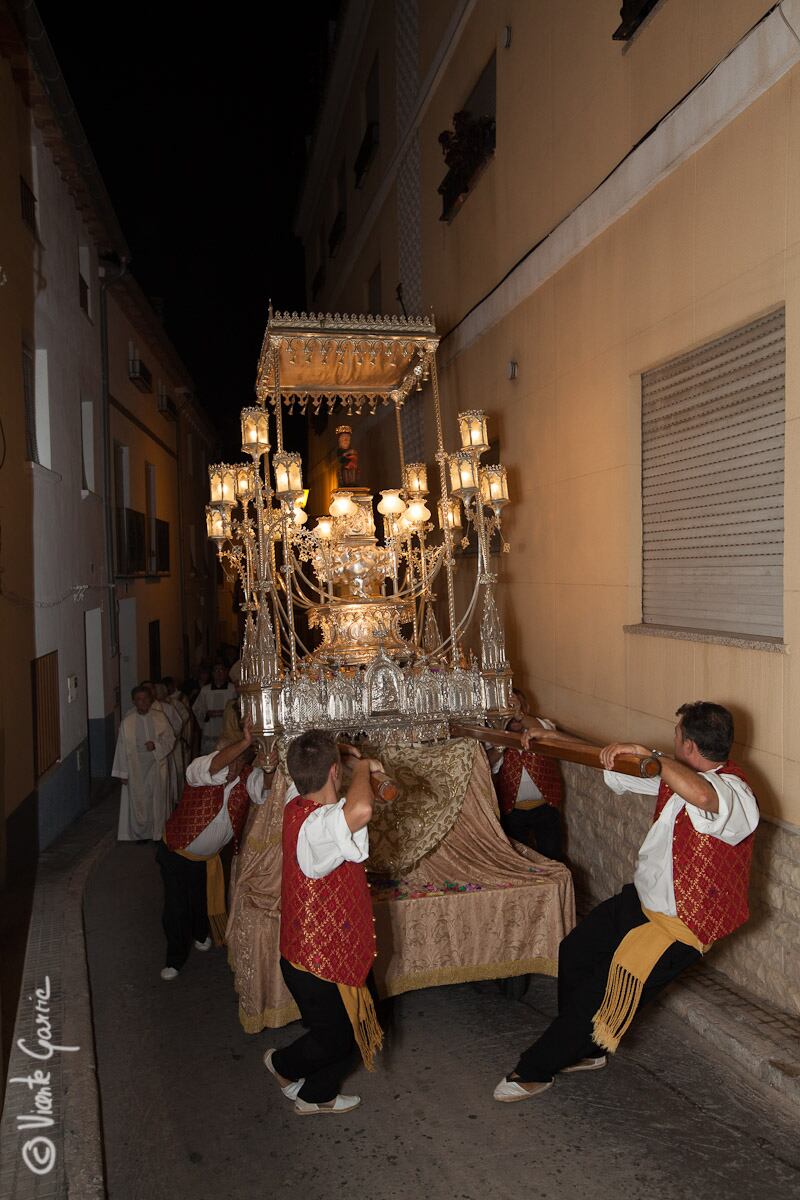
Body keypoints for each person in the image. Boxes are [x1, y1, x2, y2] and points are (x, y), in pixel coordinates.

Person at [494, 701, 759, 1102]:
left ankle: (536, 1069)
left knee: (598, 996)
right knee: (576, 951)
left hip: (679, 927)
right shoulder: (674, 772)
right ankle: (586, 1049)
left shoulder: (736, 792)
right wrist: (553, 739)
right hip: (640, 902)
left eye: (676, 735)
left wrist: (654, 757)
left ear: (687, 743)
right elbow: (615, 761)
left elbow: (704, 798)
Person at [265, 730, 387, 1115]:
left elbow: (315, 775)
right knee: (336, 1038)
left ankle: (316, 1094)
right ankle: (281, 1064)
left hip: (330, 949)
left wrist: (345, 760)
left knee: (348, 1029)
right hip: (314, 962)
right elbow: (362, 810)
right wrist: (364, 767)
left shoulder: (293, 801)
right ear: (334, 772)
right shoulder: (320, 825)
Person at [156, 718, 276, 980]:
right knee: (176, 907)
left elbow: (264, 789)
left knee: (199, 899)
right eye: (227, 758)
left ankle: (200, 933)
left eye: (237, 761)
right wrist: (244, 741)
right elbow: (215, 766)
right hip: (175, 851)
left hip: (207, 858)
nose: (230, 767)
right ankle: (174, 958)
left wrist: (269, 764)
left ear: (245, 762)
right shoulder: (200, 769)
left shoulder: (248, 777)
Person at [487, 688, 564, 861]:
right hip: (512, 813)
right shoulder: (495, 737)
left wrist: (520, 714)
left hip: (545, 809)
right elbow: (488, 765)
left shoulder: (542, 727)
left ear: (525, 708)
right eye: (507, 709)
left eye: (515, 708)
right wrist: (500, 745)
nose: (513, 716)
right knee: (518, 859)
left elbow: (547, 732)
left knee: (552, 855)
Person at [112, 685, 177, 841]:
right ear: (134, 701)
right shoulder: (127, 721)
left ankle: (158, 833)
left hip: (157, 765)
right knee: (140, 801)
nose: (142, 702)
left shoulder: (160, 717)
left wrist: (156, 745)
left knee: (157, 799)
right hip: (136, 768)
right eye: (139, 699)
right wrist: (122, 772)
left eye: (145, 699)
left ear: (150, 700)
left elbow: (170, 738)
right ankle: (141, 834)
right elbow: (121, 747)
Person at [192, 663, 237, 754]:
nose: (219, 673)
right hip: (210, 728)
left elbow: (238, 706)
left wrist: (228, 713)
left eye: (221, 670)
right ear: (212, 673)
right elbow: (196, 708)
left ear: (226, 672)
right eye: (216, 670)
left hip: (228, 727)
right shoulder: (205, 690)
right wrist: (206, 714)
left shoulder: (232, 689)